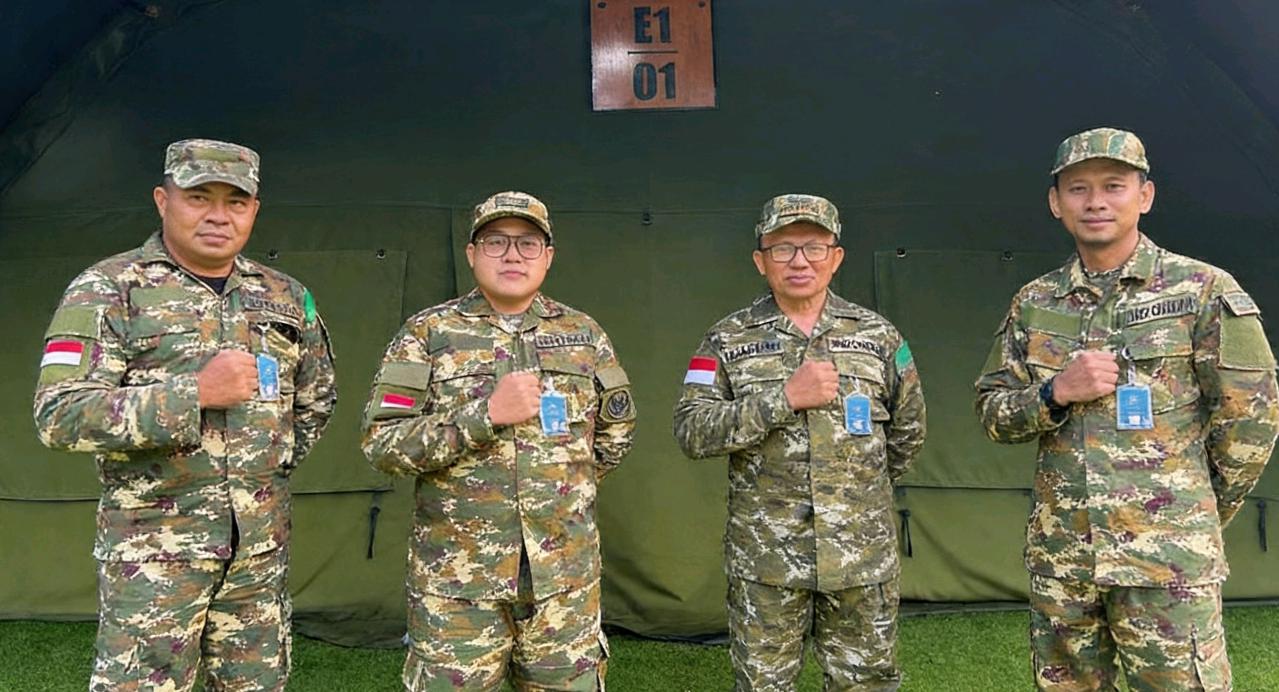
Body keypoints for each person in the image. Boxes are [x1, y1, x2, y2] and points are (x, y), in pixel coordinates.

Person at [975, 126, 1279, 691]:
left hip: (1167, 560)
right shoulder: (1034, 303)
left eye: (1113, 185)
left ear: (1145, 195)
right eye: (1078, 188)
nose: (1095, 202)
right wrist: (1055, 392)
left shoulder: (1203, 290)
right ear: (1056, 203)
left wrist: (1192, 513)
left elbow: (1251, 421)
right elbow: (993, 413)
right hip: (1064, 560)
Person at [33, 138, 337, 691]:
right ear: (162, 200)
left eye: (235, 201)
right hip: (154, 556)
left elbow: (315, 400)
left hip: (258, 556)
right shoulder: (110, 289)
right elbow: (59, 413)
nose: (219, 216)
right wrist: (192, 393)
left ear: (254, 210)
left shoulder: (287, 297)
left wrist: (263, 472)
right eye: (199, 197)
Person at [361, 191, 636, 690]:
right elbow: (382, 442)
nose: (512, 255)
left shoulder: (584, 335)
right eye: (495, 241)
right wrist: (484, 416)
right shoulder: (428, 334)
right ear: (472, 254)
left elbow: (613, 437)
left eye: (528, 243)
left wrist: (554, 492)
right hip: (458, 585)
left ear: (548, 257)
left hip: (564, 581)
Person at [673, 193, 926, 691]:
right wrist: (782, 399)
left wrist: (854, 496)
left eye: (814, 247)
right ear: (760, 261)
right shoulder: (726, 340)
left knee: (867, 684)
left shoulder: (880, 337)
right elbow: (692, 429)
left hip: (860, 555)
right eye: (783, 248)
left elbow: (909, 431)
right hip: (767, 559)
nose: (799, 261)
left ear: (836, 257)